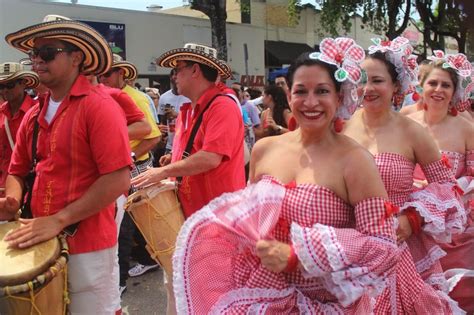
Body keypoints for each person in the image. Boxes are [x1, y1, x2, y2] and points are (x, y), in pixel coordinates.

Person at [169, 37, 460, 314]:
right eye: (301, 91)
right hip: (269, 299)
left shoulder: (356, 160)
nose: (310, 102)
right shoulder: (263, 150)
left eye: (322, 91)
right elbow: (254, 224)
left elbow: (383, 248)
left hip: (331, 303)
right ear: (288, 94)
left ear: (339, 95)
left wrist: (300, 256)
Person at [0, 15, 131, 314]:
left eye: (47, 53)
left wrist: (59, 219)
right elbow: (17, 171)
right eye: (33, 54)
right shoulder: (35, 114)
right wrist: (13, 199)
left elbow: (118, 180)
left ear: (76, 58)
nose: (37, 60)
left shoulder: (99, 106)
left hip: (88, 245)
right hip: (39, 234)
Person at [344, 37, 466, 305]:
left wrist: (412, 219)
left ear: (395, 85)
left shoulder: (412, 131)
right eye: (362, 80)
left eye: (377, 80)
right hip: (348, 250)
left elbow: (447, 187)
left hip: (397, 251)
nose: (367, 88)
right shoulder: (340, 126)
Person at [407, 52, 474, 312]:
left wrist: (448, 192)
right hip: (411, 224)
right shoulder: (405, 122)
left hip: (455, 228)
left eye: (445, 85)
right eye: (432, 83)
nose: (438, 90)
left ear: (454, 91)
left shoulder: (466, 128)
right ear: (421, 86)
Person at [98, 54, 162, 292]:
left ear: (121, 73)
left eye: (107, 73)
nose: (102, 78)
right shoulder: (105, 97)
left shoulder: (136, 98)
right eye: (100, 73)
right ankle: (141, 260)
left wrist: (131, 156)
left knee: (128, 219)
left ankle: (122, 278)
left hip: (136, 165)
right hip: (115, 165)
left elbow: (153, 135)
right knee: (128, 219)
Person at [0, 62, 39, 197]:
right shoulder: (1, 114)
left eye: (10, 85)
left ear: (23, 83)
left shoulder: (38, 112)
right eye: (1, 86)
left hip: (30, 189)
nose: (5, 90)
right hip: (4, 189)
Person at [157, 69, 190, 155]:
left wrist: (176, 115)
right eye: (174, 74)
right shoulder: (164, 97)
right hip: (170, 146)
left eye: (178, 74)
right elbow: (162, 120)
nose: (175, 77)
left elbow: (195, 118)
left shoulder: (189, 96)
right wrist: (162, 135)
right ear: (170, 77)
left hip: (186, 145)